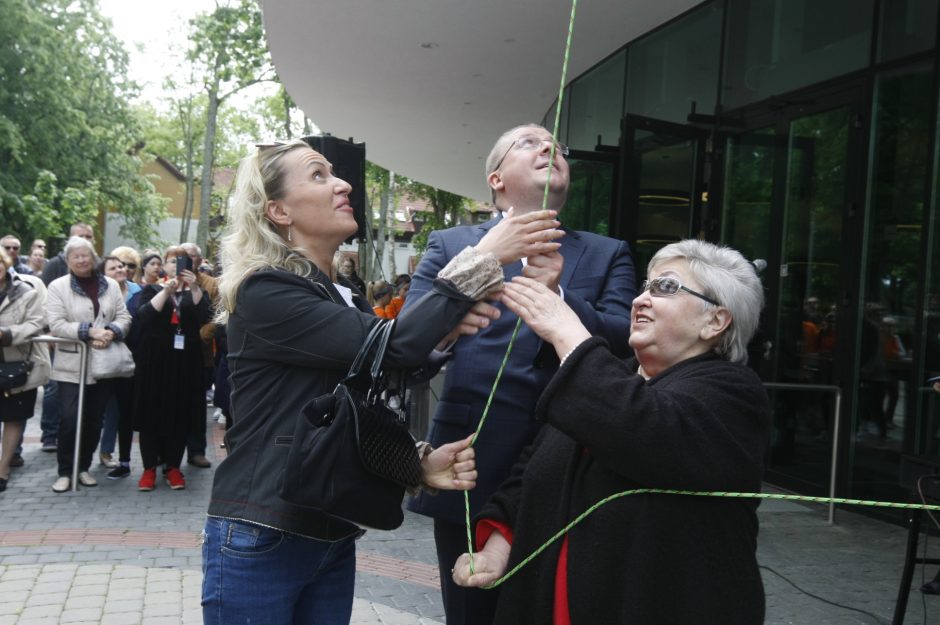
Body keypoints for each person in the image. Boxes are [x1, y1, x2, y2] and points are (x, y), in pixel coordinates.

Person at [202, 138, 540, 625]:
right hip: (264, 530)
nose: (343, 185)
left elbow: (374, 389)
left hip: (331, 529)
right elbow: (395, 347)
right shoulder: (265, 290)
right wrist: (481, 256)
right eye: (318, 175)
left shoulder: (341, 294)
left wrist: (414, 463)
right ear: (278, 210)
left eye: (334, 173)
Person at [453, 239, 769, 625]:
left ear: (715, 321)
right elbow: (528, 477)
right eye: (644, 286)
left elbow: (642, 429)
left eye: (664, 287)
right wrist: (496, 551)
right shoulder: (609, 379)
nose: (641, 300)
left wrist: (566, 330)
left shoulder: (733, 393)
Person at [405, 123, 636, 625]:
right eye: (529, 142)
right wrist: (449, 322)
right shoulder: (450, 245)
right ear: (496, 179)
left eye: (557, 145)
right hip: (472, 457)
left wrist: (560, 299)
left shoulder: (607, 251)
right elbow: (409, 348)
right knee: (472, 609)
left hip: (570, 454)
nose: (549, 147)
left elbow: (623, 343)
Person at [45, 236, 131, 493]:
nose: (82, 260)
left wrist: (111, 332)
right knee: (70, 418)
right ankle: (65, 471)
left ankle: (83, 467)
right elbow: (57, 324)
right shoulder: (58, 287)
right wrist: (90, 332)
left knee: (94, 419)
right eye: (76, 256)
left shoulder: (111, 286)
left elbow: (124, 316)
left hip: (104, 364)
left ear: (94, 258)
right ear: (68, 261)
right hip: (71, 363)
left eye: (86, 255)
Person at [133, 249, 211, 491]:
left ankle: (173, 468)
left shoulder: (196, 291)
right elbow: (144, 316)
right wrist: (167, 290)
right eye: (172, 261)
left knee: (179, 413)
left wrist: (195, 287)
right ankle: (148, 469)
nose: (177, 266)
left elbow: (205, 315)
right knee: (151, 413)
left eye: (182, 262)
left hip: (185, 361)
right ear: (164, 267)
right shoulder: (153, 290)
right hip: (154, 361)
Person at [0, 248, 51, 491]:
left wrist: (7, 334)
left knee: (13, 418)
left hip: (16, 364)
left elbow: (37, 323)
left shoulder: (25, 291)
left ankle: (3, 467)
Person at [97, 255, 142, 479]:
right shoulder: (98, 295)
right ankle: (100, 453)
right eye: (113, 268)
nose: (120, 269)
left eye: (122, 266)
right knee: (101, 411)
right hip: (102, 358)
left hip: (131, 361)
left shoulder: (139, 293)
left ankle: (124, 461)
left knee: (125, 412)